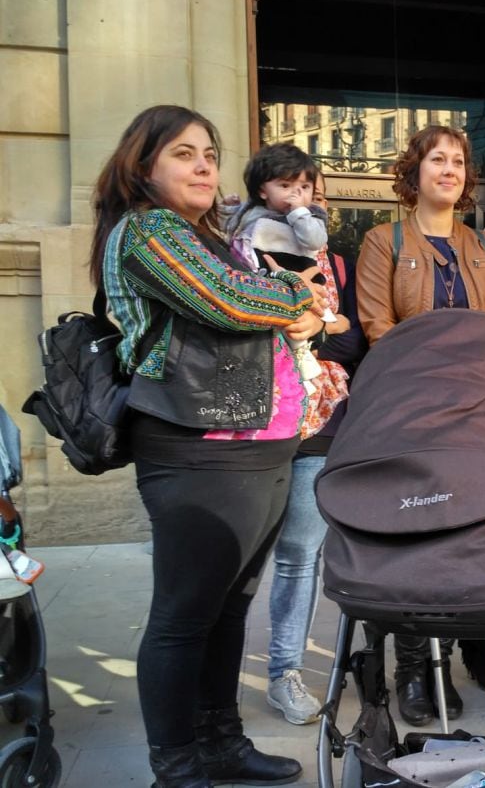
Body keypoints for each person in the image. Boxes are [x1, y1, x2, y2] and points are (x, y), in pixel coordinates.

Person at [92, 105, 324, 788]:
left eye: (210, 155)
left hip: (260, 445)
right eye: (184, 154)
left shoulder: (203, 234)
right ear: (143, 167)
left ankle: (222, 743)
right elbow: (230, 300)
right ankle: (177, 765)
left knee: (227, 610)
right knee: (183, 615)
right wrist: (292, 291)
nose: (203, 166)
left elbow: (255, 296)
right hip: (197, 448)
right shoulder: (146, 231)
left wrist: (282, 295)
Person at [355, 124, 485, 727]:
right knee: (415, 539)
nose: (448, 169)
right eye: (436, 160)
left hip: (477, 415)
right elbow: (379, 329)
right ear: (414, 172)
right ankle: (416, 668)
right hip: (412, 413)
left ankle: (471, 647)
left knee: (471, 536)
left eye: (458, 161)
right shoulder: (382, 241)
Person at [264, 172, 364, 725]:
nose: (309, 203)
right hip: (256, 421)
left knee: (301, 554)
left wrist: (316, 328)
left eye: (316, 193)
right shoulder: (246, 251)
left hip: (323, 421)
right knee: (249, 564)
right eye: (295, 191)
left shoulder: (338, 264)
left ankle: (284, 673)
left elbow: (352, 340)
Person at [226, 143, 332, 394]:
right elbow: (233, 227)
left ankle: (302, 362)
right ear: (262, 190)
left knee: (295, 323)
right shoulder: (253, 210)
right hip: (262, 271)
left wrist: (298, 212)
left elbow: (315, 240)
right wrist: (228, 209)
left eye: (305, 188)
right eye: (285, 186)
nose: (296, 195)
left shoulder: (311, 214)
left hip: (296, 267)